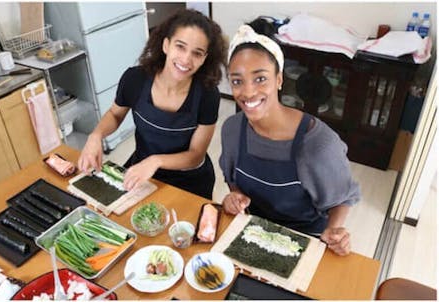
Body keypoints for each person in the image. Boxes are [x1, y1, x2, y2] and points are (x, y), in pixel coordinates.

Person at [219, 21, 360, 256]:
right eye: (237, 81)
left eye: (260, 78)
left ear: (279, 80)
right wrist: (234, 197)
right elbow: (232, 179)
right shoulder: (232, 130)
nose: (248, 92)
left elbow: (343, 197)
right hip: (253, 232)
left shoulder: (318, 144)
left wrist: (334, 232)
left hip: (306, 242)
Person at [78, 9, 227, 200]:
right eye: (180, 46)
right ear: (166, 45)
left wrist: (155, 161)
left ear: (205, 58)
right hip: (141, 170)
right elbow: (115, 115)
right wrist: (95, 135)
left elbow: (196, 155)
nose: (186, 59)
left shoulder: (207, 95)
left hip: (189, 180)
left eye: (197, 53)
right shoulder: (135, 79)